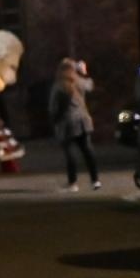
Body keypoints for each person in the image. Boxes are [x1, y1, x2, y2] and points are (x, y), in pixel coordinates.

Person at [49, 57, 100, 191]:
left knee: (70, 152)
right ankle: (95, 180)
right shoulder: (79, 82)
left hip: (67, 123)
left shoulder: (59, 85)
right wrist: (84, 72)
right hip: (83, 120)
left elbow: (53, 106)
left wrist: (54, 119)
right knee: (87, 150)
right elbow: (91, 85)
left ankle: (73, 183)